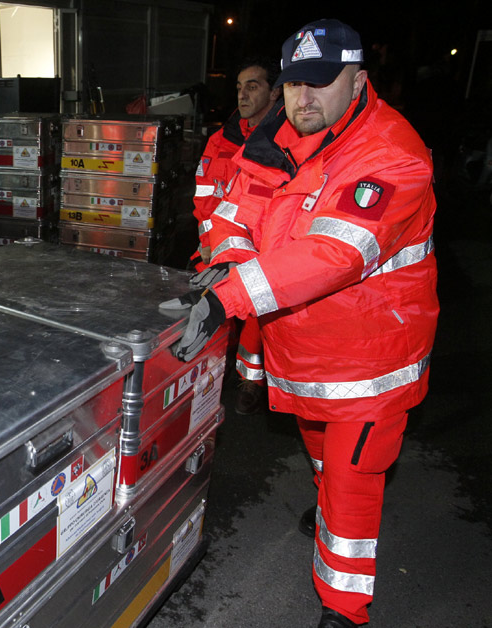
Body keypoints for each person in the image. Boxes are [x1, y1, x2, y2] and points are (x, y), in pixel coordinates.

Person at [168, 19, 438, 628]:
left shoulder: (392, 152)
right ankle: (328, 514)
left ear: (359, 81)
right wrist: (228, 262)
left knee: (351, 479)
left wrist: (231, 297)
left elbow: (336, 253)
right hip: (307, 354)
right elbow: (236, 208)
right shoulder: (280, 136)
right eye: (293, 83)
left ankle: (344, 608)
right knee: (321, 458)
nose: (302, 98)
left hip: (370, 361)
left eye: (320, 83)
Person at [191, 57, 280, 415]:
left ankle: (251, 382)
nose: (242, 94)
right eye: (239, 87)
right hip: (219, 246)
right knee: (213, 312)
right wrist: (210, 247)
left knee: (257, 324)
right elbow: (203, 196)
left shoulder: (287, 141)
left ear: (275, 92)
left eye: (253, 86)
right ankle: (214, 370)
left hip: (264, 250)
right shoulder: (221, 139)